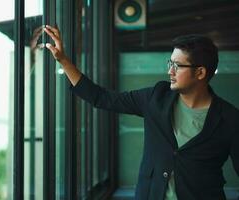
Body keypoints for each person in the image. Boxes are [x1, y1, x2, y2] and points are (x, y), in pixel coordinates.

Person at [43, 25, 239, 200]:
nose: (170, 71)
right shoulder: (156, 97)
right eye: (170, 63)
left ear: (200, 72)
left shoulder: (230, 119)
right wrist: (63, 60)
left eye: (177, 66)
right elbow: (101, 97)